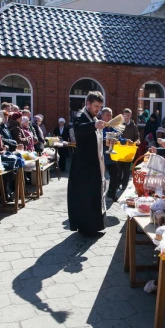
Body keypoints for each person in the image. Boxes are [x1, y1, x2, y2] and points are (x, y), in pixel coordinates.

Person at [67, 91, 108, 235]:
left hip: (94, 163)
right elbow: (78, 129)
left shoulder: (92, 117)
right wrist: (94, 125)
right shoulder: (80, 115)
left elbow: (93, 139)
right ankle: (86, 228)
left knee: (95, 193)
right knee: (85, 196)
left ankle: (96, 225)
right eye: (96, 106)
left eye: (100, 107)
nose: (98, 109)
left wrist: (106, 143)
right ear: (88, 103)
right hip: (83, 166)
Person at [100, 108, 121, 201]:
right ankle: (98, 195)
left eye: (111, 115)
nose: (109, 117)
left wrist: (125, 141)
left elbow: (119, 138)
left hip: (112, 156)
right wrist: (106, 141)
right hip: (101, 156)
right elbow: (98, 139)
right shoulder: (99, 127)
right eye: (107, 115)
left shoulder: (114, 127)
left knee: (115, 175)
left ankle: (111, 193)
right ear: (102, 116)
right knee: (100, 177)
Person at [117, 108, 140, 190]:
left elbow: (137, 137)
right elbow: (116, 136)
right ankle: (117, 183)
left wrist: (137, 141)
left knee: (127, 169)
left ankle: (124, 184)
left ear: (130, 115)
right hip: (120, 150)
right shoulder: (119, 125)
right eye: (125, 115)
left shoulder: (134, 126)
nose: (127, 117)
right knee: (118, 168)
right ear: (123, 115)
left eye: (128, 115)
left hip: (129, 151)